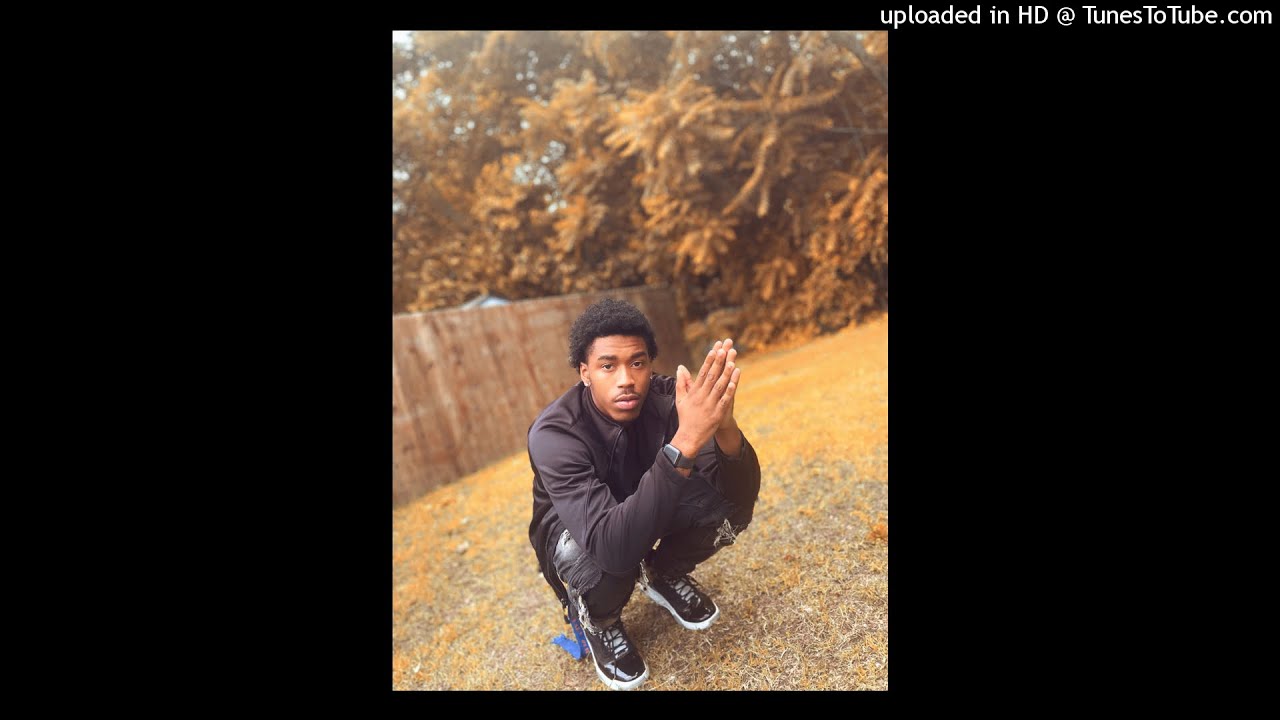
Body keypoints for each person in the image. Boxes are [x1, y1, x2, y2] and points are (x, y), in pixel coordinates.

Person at [527, 297, 761, 690]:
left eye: (637, 363)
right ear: (585, 372)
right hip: (580, 528)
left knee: (726, 510)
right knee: (605, 562)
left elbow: (739, 497)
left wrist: (724, 426)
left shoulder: (669, 398)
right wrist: (685, 442)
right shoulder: (554, 433)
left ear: (651, 365)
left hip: (645, 494)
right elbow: (612, 546)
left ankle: (662, 573)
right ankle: (600, 622)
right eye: (608, 366)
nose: (626, 379)